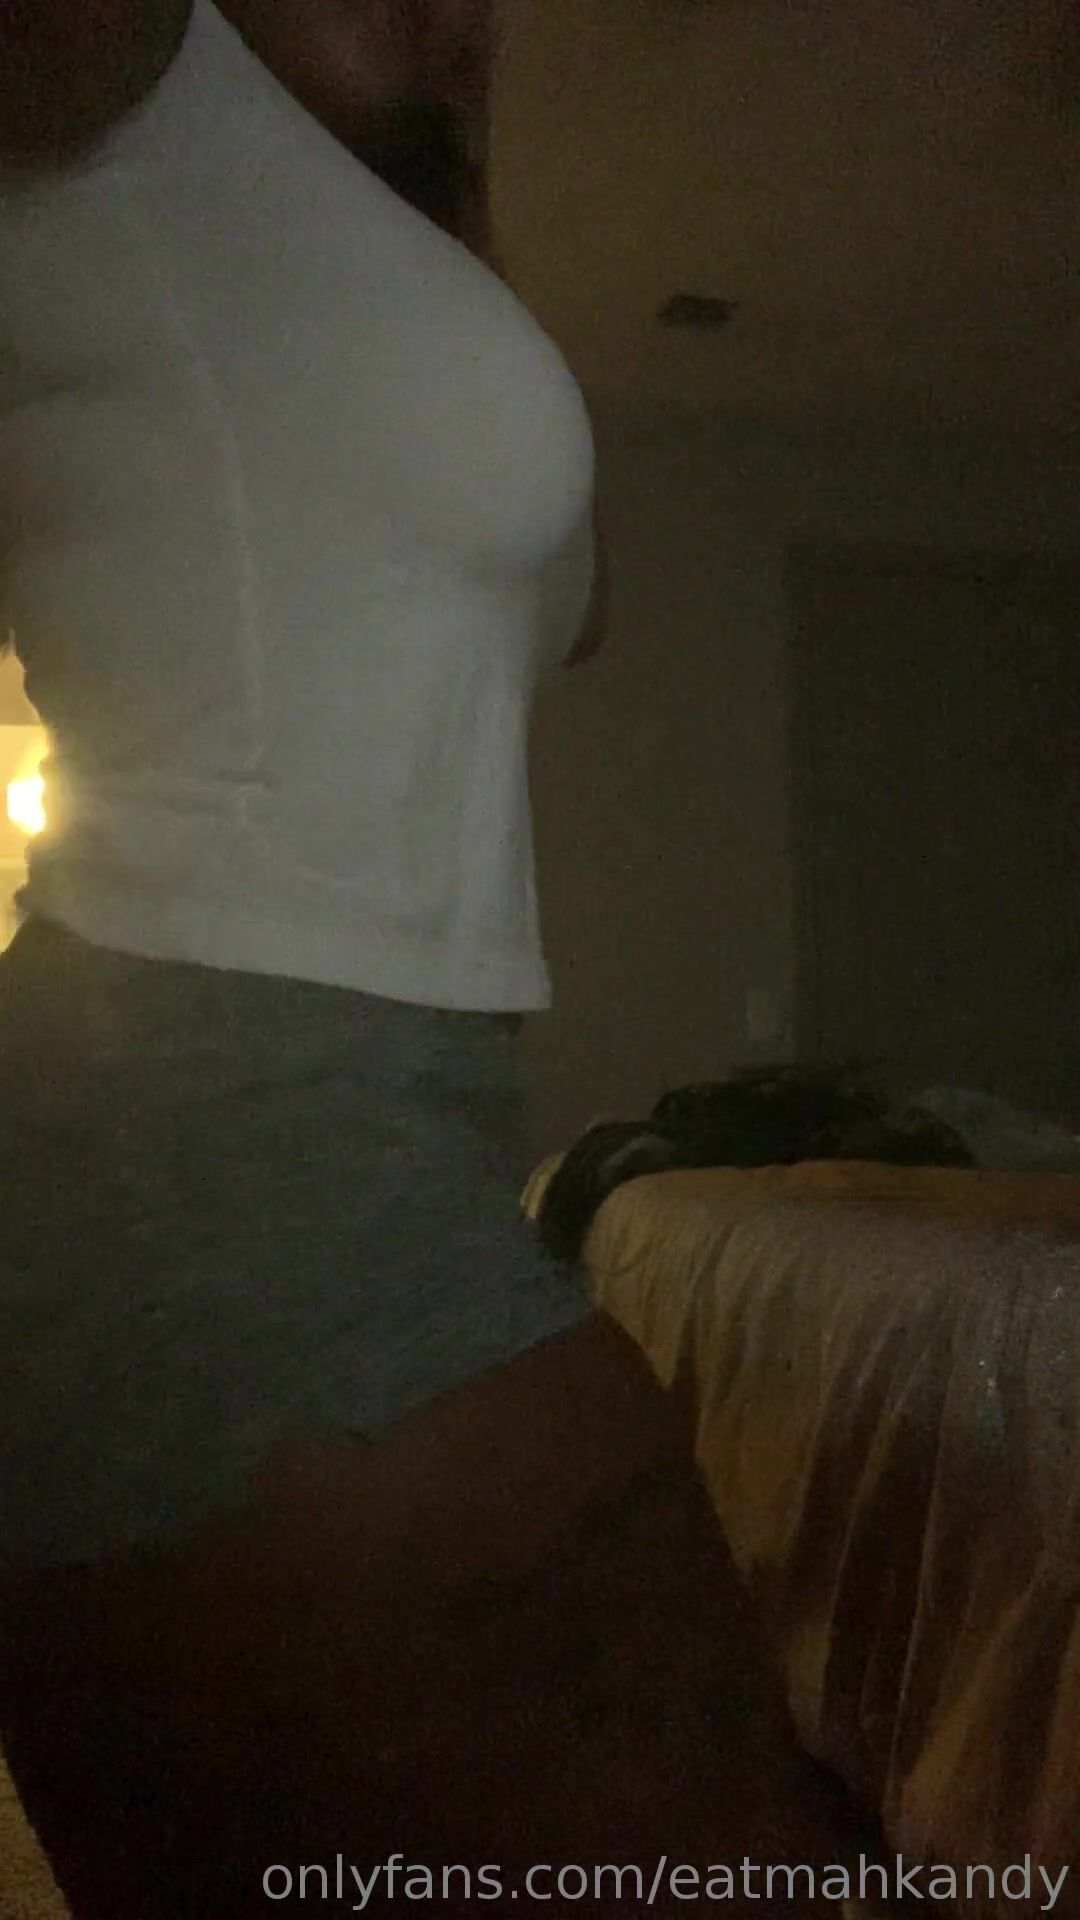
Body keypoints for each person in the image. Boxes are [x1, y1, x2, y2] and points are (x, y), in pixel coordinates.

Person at [0, 5, 852, 1913]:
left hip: (316, 1146)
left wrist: (449, 165)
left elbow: (581, 600)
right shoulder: (128, 82)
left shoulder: (365, 253)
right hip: (210, 1144)